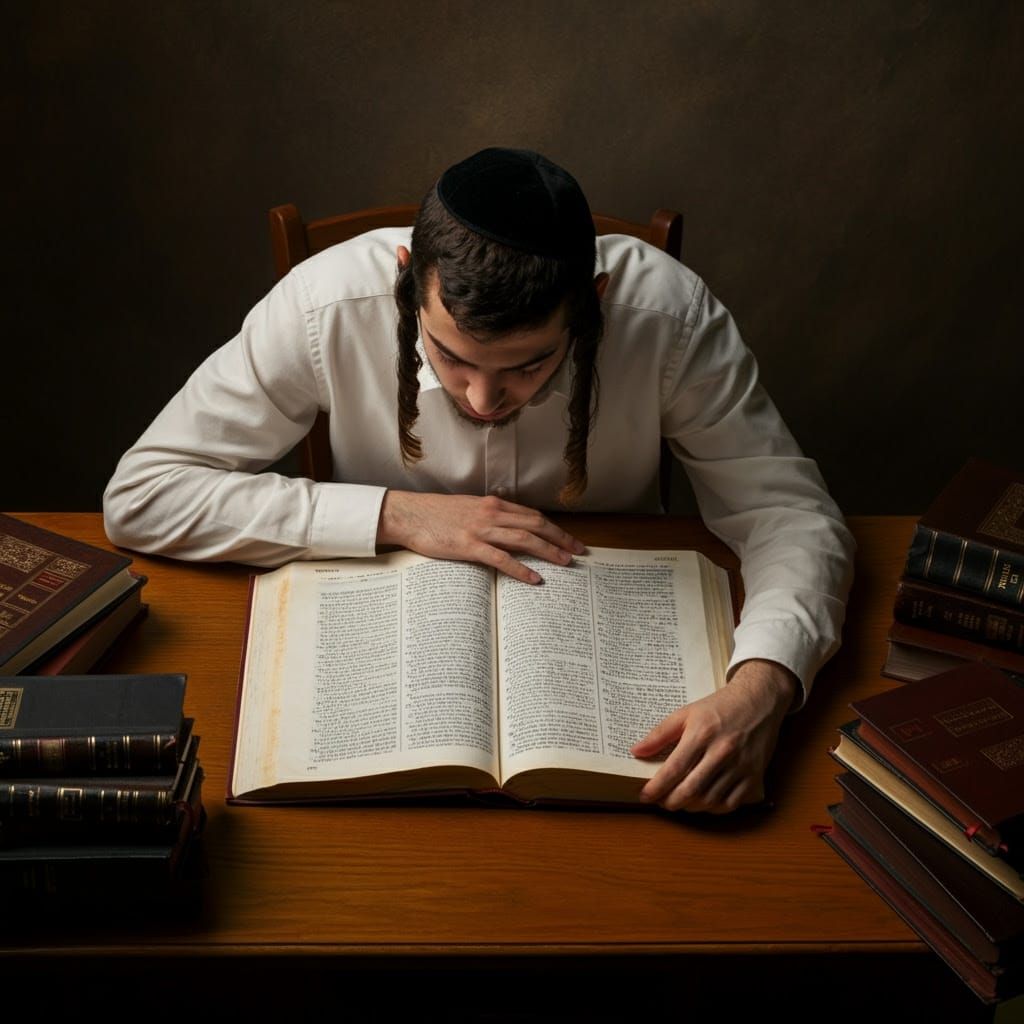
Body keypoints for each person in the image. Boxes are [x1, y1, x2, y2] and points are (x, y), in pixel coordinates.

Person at [104, 147, 855, 815]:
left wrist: (767, 684)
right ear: (407, 283)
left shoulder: (670, 318)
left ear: (591, 305)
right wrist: (398, 515)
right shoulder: (322, 305)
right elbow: (144, 494)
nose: (482, 401)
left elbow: (790, 514)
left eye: (529, 364)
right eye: (451, 356)